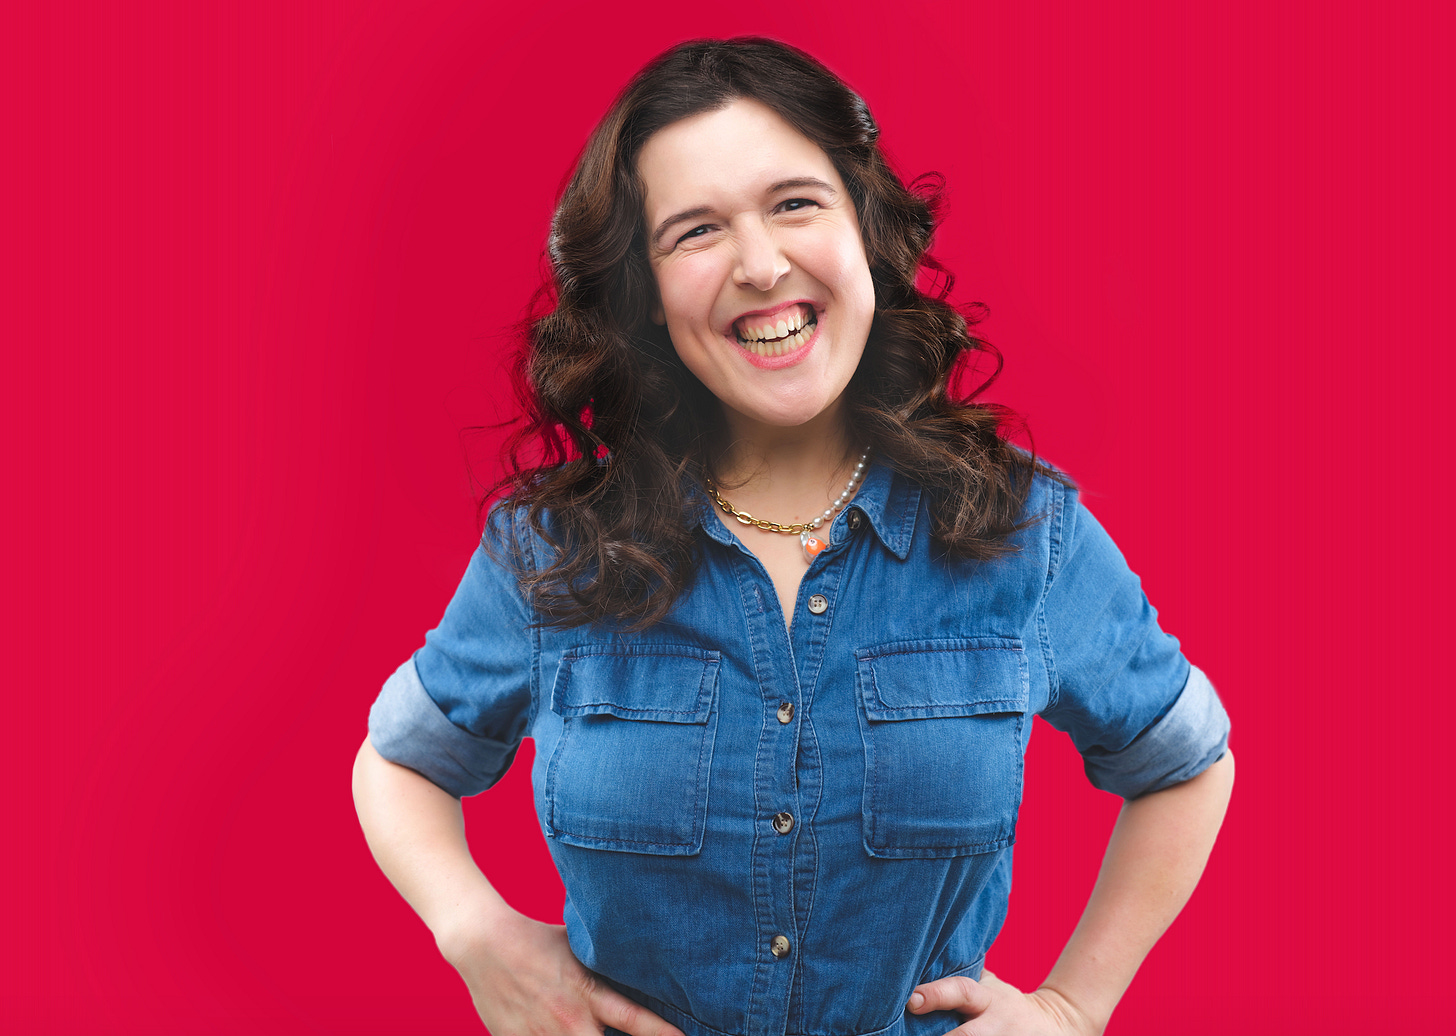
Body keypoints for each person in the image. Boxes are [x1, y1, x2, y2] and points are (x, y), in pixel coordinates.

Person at [352, 37, 1233, 1036]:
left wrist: (1072, 1009)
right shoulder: (553, 547)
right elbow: (399, 762)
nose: (761, 264)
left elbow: (1186, 762)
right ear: (641, 290)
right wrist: (473, 931)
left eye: (793, 203)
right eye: (694, 231)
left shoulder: (1024, 535)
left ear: (864, 227)